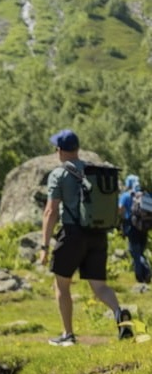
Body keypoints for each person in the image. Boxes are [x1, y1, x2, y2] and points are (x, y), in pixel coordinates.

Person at [40, 128, 133, 345]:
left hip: (72, 234)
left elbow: (50, 211)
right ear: (78, 149)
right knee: (99, 286)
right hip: (98, 234)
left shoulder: (59, 174)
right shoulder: (94, 171)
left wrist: (44, 246)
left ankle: (68, 335)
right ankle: (119, 313)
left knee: (61, 285)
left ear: (59, 150)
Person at [118, 173, 151, 284]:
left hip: (131, 227)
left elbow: (120, 209)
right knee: (140, 251)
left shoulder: (126, 196)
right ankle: (145, 274)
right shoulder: (145, 194)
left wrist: (121, 219)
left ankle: (142, 276)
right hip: (144, 227)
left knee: (135, 253)